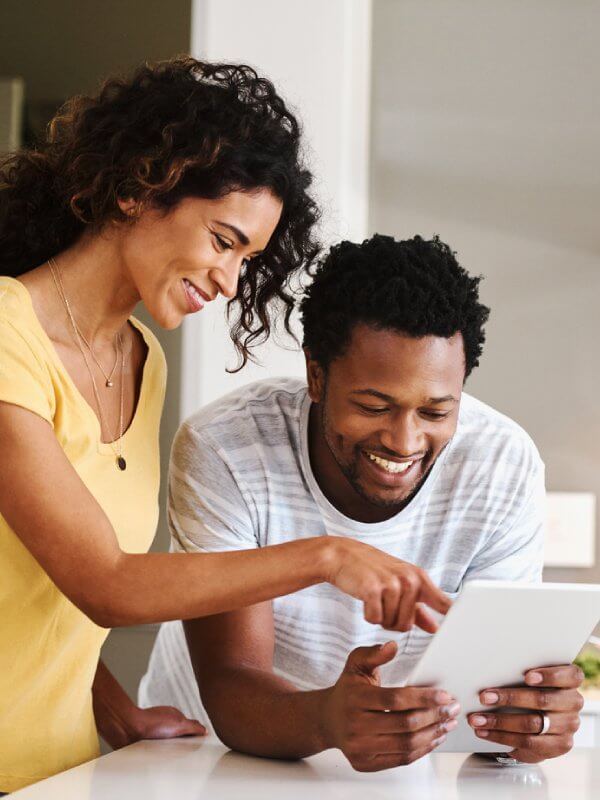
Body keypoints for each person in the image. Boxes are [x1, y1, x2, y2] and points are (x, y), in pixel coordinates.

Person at [0, 63, 450, 793]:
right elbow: (106, 585)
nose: (231, 281)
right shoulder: (7, 337)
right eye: (222, 240)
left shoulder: (141, 361)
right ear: (137, 186)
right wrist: (328, 555)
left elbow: (46, 600)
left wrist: (117, 715)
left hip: (64, 770)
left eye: (247, 259)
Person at [140, 234, 584, 771]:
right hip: (200, 754)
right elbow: (234, 688)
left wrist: (526, 721)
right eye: (374, 406)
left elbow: (489, 700)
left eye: (436, 412)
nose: (404, 440)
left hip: (387, 761)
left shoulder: (502, 464)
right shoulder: (227, 447)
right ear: (316, 375)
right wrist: (328, 718)